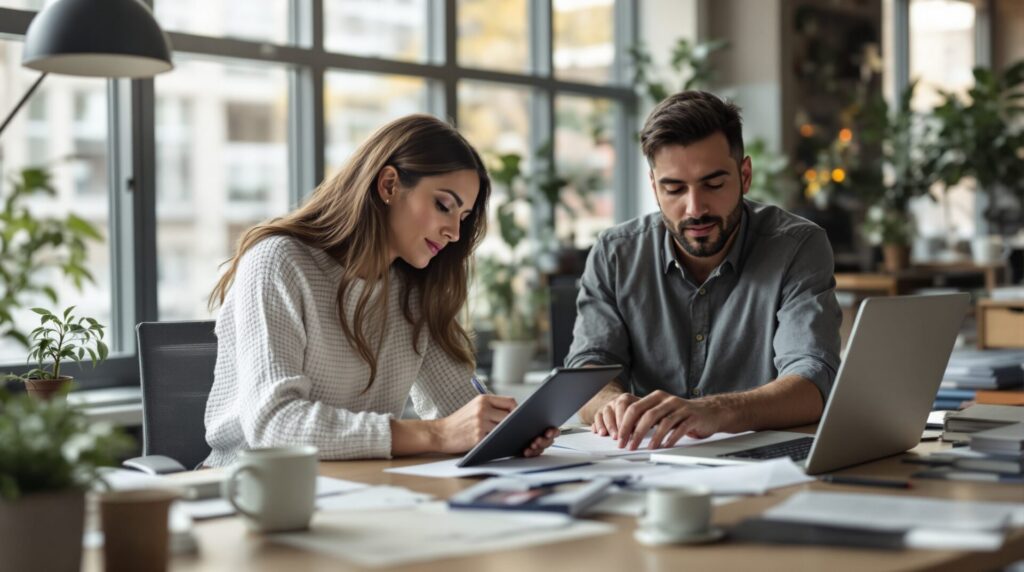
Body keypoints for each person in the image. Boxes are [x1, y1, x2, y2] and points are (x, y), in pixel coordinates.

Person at [203, 115, 557, 467]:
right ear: (388, 185)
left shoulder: (414, 289)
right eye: (444, 206)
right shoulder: (278, 261)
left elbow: (458, 407)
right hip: (244, 492)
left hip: (355, 488)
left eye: (462, 217)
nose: (454, 232)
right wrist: (436, 434)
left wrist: (506, 430)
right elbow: (274, 425)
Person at [566, 91, 842, 451]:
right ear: (654, 187)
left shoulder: (796, 247)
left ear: (744, 175)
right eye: (674, 188)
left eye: (713, 184)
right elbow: (587, 368)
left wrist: (714, 411)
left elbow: (812, 383)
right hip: (645, 464)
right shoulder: (615, 253)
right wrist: (609, 404)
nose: (695, 208)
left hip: (763, 466)